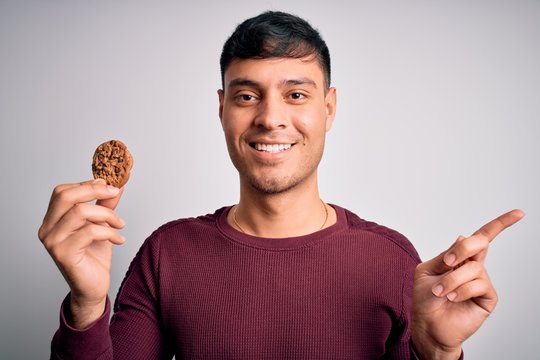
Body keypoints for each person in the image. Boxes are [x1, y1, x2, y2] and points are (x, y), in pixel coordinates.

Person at [39, 11, 523, 359]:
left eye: (296, 95)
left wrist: (437, 354)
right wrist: (85, 307)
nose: (271, 118)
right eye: (247, 95)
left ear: (328, 108)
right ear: (222, 109)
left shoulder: (394, 261)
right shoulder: (167, 253)